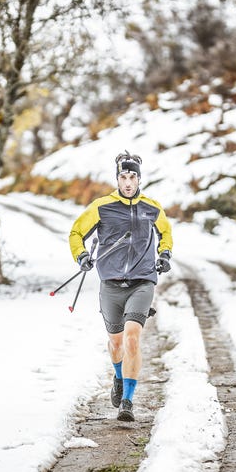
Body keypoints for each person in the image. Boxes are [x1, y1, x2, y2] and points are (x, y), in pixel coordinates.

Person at [69, 152, 173, 422]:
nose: (128, 182)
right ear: (117, 179)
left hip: (143, 280)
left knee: (131, 338)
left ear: (139, 178)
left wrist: (164, 254)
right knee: (116, 343)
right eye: (123, 177)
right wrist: (81, 255)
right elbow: (76, 233)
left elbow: (166, 233)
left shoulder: (152, 207)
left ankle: (127, 400)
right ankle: (118, 377)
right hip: (111, 284)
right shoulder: (102, 207)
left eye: (133, 177)